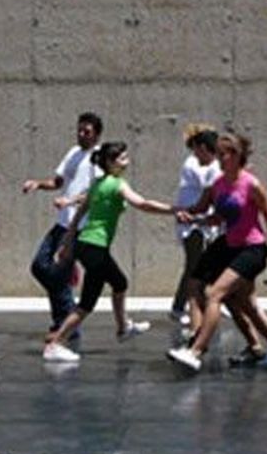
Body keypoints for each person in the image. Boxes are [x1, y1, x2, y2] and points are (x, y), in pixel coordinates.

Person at [169, 132, 267, 372]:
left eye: (224, 154)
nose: (219, 158)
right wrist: (190, 216)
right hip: (229, 244)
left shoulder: (251, 184)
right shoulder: (217, 185)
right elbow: (211, 215)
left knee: (215, 293)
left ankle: (195, 351)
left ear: (237, 156)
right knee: (241, 303)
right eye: (218, 154)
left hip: (253, 248)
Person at [42, 141, 172, 362]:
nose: (127, 162)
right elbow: (142, 204)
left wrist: (68, 243)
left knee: (110, 289)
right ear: (110, 163)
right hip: (95, 247)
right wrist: (174, 210)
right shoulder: (117, 184)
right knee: (98, 296)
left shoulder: (98, 184)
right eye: (122, 158)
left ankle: (121, 328)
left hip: (86, 244)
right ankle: (57, 344)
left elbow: (78, 214)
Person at [23, 112, 103, 342]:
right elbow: (58, 182)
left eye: (87, 131)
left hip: (79, 227)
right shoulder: (73, 152)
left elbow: (94, 193)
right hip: (62, 223)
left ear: (97, 134)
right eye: (79, 130)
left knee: (57, 273)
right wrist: (38, 184)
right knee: (40, 267)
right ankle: (66, 320)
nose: (81, 134)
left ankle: (65, 326)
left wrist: (69, 201)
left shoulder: (98, 158)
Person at [170, 124, 221, 326]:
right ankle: (179, 307)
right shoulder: (194, 163)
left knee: (204, 264)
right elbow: (207, 187)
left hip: (201, 219)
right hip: (192, 221)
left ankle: (206, 302)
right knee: (193, 265)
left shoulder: (210, 165)